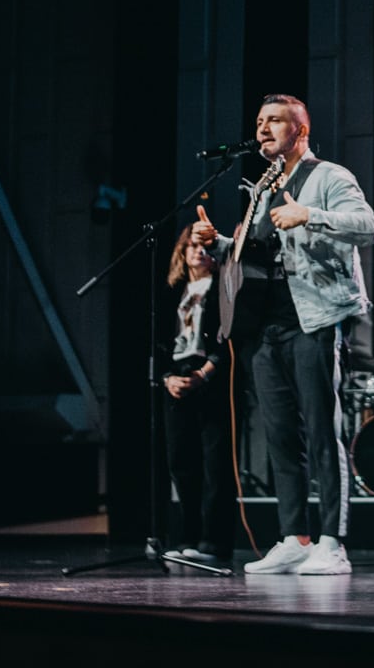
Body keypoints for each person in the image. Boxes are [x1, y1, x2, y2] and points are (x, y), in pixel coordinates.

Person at [192, 94, 374, 577]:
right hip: (264, 326)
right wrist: (222, 243)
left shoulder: (329, 176)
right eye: (258, 121)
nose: (262, 129)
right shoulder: (263, 186)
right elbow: (260, 252)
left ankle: (332, 543)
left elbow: (368, 227)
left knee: (321, 429)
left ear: (300, 129)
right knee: (279, 435)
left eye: (274, 120)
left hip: (312, 319)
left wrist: (310, 215)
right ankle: (294, 537)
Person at [157, 223, 233, 566]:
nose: (199, 251)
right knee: (181, 462)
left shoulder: (221, 287)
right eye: (192, 246)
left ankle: (213, 541)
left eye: (204, 246)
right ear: (183, 253)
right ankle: (186, 537)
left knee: (214, 464)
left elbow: (230, 339)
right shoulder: (175, 291)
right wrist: (168, 377)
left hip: (210, 376)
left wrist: (205, 374)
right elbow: (161, 342)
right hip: (177, 374)